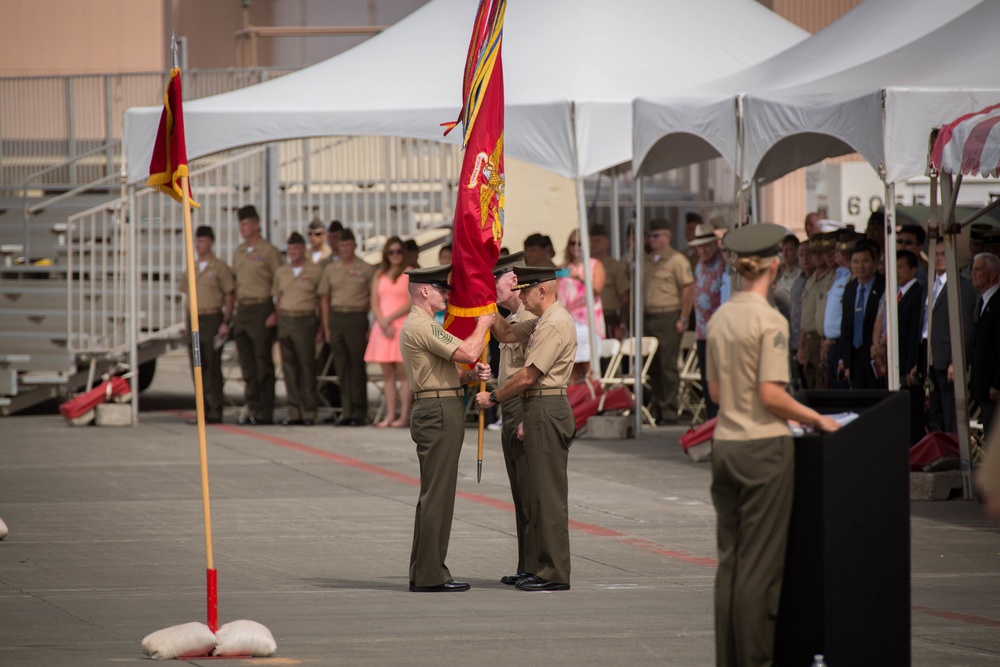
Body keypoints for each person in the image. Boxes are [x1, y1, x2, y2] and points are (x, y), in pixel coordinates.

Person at [706, 222, 840, 667]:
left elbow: (718, 393)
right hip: (762, 447)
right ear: (773, 264)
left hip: (725, 443)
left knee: (731, 563)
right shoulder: (769, 319)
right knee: (761, 570)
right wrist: (819, 419)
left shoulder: (721, 316)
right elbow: (772, 394)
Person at [476, 266, 577, 592]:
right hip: (537, 407)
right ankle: (536, 566)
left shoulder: (555, 323)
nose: (520, 295)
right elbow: (506, 335)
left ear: (542, 291)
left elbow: (527, 376)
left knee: (547, 495)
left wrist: (492, 396)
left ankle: (553, 572)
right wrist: (484, 300)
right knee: (534, 493)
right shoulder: (541, 321)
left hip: (547, 405)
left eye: (526, 289)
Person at [401, 265, 493, 593]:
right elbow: (467, 351)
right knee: (437, 494)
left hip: (441, 404)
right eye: (441, 288)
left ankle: (426, 570)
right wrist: (484, 321)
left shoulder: (424, 325)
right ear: (424, 291)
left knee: (436, 494)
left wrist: (469, 377)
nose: (446, 294)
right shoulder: (421, 324)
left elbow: (446, 372)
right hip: (438, 411)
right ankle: (429, 575)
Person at [487, 251, 535, 585]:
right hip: (510, 407)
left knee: (531, 489)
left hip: (525, 406)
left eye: (494, 281)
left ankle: (536, 566)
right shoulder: (514, 318)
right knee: (520, 491)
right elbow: (503, 336)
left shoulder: (532, 317)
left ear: (513, 279)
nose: (490, 289)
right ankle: (526, 564)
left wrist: (528, 419)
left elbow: (537, 374)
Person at [231, 204, 283, 425]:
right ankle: (252, 407)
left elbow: (281, 283)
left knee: (263, 363)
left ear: (256, 225)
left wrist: (275, 313)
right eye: (240, 224)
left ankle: (265, 410)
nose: (242, 228)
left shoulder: (269, 251)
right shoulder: (239, 252)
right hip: (243, 310)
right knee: (247, 364)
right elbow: (235, 284)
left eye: (245, 224)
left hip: (262, 307)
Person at [319, 228, 376, 426]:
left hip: (357, 317)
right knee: (341, 368)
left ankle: (359, 412)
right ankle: (347, 411)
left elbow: (373, 298)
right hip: (336, 318)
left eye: (348, 245)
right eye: (342, 245)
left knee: (357, 367)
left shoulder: (366, 268)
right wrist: (326, 327)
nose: (345, 248)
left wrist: (370, 322)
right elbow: (324, 299)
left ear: (355, 246)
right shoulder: (330, 270)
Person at [179, 225, 235, 425]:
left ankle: (215, 410)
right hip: (195, 320)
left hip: (212, 319)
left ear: (211, 242)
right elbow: (187, 299)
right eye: (196, 241)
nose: (198, 245)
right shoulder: (191, 268)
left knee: (212, 366)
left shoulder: (219, 267)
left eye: (202, 241)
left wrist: (226, 321)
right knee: (197, 366)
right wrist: (187, 324)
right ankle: (202, 410)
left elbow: (230, 294)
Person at [643, 218, 694, 426]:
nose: (652, 239)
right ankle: (658, 409)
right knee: (652, 367)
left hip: (669, 315)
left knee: (667, 365)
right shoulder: (646, 259)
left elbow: (688, 288)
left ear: (667, 236)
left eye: (656, 235)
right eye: (650, 235)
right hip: (649, 316)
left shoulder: (677, 260)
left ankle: (670, 412)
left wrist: (684, 317)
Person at [924, 242, 976, 433]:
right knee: (936, 414)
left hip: (948, 361)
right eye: (935, 254)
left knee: (951, 414)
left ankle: (955, 455)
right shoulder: (929, 285)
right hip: (931, 358)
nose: (939, 258)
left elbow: (966, 328)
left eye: (943, 254)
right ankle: (941, 455)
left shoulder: (962, 287)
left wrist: (956, 360)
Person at [272, 232, 323, 426]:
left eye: (296, 248)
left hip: (305, 321)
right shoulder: (281, 272)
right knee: (289, 369)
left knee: (306, 367)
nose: (293, 252)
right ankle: (294, 412)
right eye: (290, 249)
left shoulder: (315, 270)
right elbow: (278, 299)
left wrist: (320, 328)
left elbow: (321, 301)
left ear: (303, 249)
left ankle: (309, 412)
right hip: (285, 320)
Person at [365, 236, 413, 428]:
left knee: (403, 374)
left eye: (398, 251)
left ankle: (403, 417)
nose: (395, 255)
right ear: (386, 254)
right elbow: (374, 302)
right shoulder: (379, 275)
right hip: (382, 328)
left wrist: (389, 319)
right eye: (391, 252)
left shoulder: (409, 273)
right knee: (387, 376)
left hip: (400, 325)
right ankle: (390, 415)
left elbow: (411, 302)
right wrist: (382, 321)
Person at [557, 229, 605, 383]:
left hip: (587, 321)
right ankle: (577, 404)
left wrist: (580, 277)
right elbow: (555, 293)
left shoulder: (594, 265)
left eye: (580, 244)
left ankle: (594, 403)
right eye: (572, 243)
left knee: (589, 369)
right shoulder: (563, 267)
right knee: (571, 370)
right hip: (568, 321)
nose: (576, 247)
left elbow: (597, 289)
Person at [837, 240, 885, 390]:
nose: (860, 266)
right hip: (854, 358)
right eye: (856, 262)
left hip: (875, 356)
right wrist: (845, 360)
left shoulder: (884, 286)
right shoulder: (850, 289)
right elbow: (845, 327)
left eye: (865, 261)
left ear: (875, 262)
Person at [689, 221, 725, 419]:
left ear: (715, 245)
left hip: (718, 332)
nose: (702, 250)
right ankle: (711, 418)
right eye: (699, 247)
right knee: (706, 379)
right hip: (702, 332)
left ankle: (718, 417)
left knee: (718, 378)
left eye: (706, 246)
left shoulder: (723, 263)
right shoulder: (699, 266)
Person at [969, 253, 1000, 435]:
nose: (973, 273)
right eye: (972, 269)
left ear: (993, 275)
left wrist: (997, 383)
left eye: (978, 269)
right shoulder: (983, 301)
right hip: (983, 386)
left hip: (993, 388)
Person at [798, 233, 834, 389]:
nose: (818, 257)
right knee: (810, 380)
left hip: (821, 339)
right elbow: (806, 315)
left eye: (822, 252)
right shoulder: (811, 278)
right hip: (809, 339)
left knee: (821, 383)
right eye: (814, 253)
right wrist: (801, 346)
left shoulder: (832, 276)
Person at [590, 223, 629, 339]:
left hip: (608, 316)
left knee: (608, 354)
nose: (594, 244)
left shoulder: (616, 267)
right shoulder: (583, 267)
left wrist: (622, 324)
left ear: (607, 243)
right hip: (586, 317)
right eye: (592, 240)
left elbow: (625, 298)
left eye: (598, 240)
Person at [788, 240, 812, 390]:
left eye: (807, 254)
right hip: (795, 342)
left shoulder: (815, 279)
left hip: (809, 342)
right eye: (801, 255)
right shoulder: (798, 281)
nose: (804, 258)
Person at [772, 234, 801, 321]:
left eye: (789, 250)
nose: (784, 254)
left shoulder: (802, 275)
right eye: (782, 250)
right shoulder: (780, 276)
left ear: (797, 251)